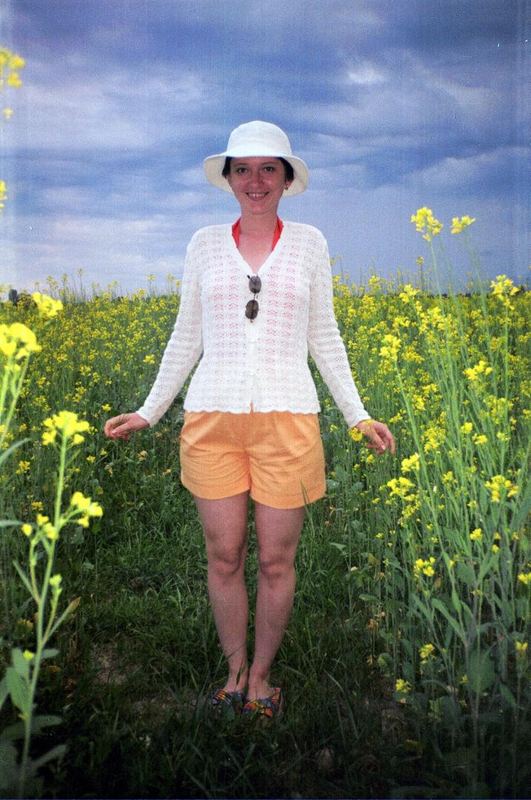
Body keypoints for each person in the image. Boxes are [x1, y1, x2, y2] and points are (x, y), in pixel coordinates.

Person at [104, 121, 395, 719]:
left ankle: (263, 677)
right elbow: (187, 335)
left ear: (287, 179)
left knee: (275, 560)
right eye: (244, 169)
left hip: (290, 420)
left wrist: (357, 414)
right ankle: (234, 672)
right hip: (212, 418)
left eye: (269, 169)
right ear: (229, 178)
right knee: (224, 555)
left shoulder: (310, 243)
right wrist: (150, 409)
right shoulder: (204, 244)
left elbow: (325, 335)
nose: (256, 180)